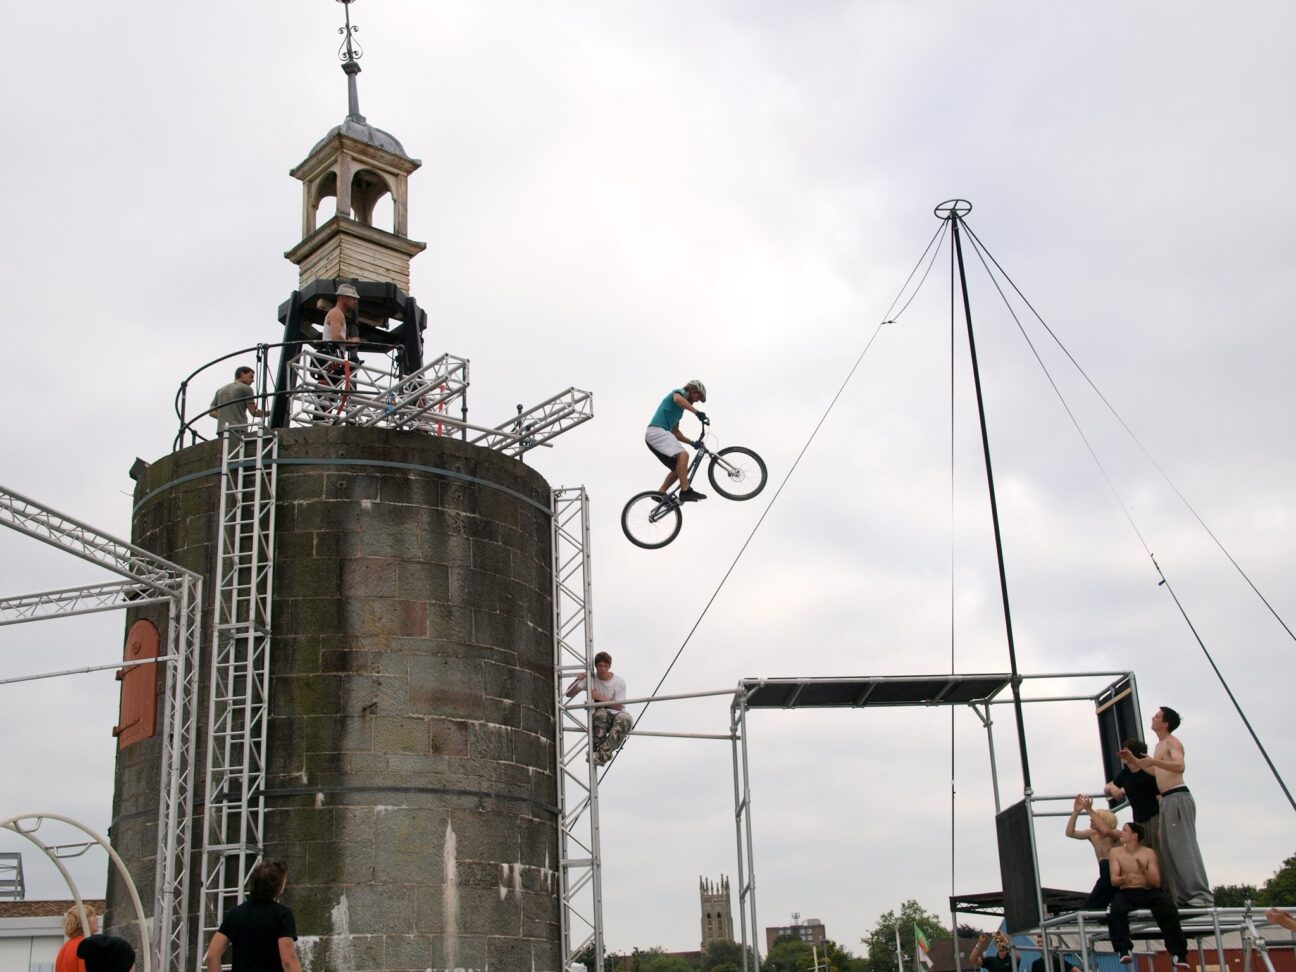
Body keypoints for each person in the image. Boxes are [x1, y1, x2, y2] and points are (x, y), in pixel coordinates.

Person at [1120, 707, 1213, 907]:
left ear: (1165, 723)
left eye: (1157, 717)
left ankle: (1200, 895)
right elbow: (1156, 771)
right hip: (1168, 800)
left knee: (1182, 846)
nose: (1153, 718)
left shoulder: (1172, 742)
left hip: (1177, 796)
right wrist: (1136, 761)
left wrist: (1153, 761)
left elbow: (1180, 766)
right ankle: (1183, 897)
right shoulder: (1159, 745)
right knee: (1168, 849)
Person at [1107, 822, 1189, 968]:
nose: (1121, 833)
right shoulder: (1115, 852)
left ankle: (1178, 953)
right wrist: (1123, 879)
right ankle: (1123, 949)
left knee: (1168, 908)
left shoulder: (1148, 853)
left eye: (1125, 830)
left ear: (1134, 836)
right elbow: (1114, 880)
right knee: (1116, 909)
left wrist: (1143, 871)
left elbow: (1156, 882)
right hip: (1126, 891)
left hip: (1147, 891)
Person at [204, 858, 301, 972]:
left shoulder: (234, 914)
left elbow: (212, 956)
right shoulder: (282, 915)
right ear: (278, 886)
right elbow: (288, 960)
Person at [644, 380, 709, 502]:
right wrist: (697, 413)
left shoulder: (679, 411)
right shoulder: (679, 393)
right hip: (656, 431)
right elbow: (677, 399)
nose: (697, 401)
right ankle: (685, 491)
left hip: (656, 435)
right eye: (698, 396)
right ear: (692, 389)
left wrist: (692, 442)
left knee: (678, 468)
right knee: (683, 455)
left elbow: (675, 432)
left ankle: (660, 494)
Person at [565, 651, 632, 765]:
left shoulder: (619, 682)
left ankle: (600, 755)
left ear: (609, 666)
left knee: (625, 718)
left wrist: (598, 697)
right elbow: (569, 693)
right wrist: (578, 679)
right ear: (596, 666)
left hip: (617, 715)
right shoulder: (591, 679)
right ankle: (600, 754)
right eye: (600, 666)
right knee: (600, 713)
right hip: (601, 718)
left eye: (605, 666)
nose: (602, 669)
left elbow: (619, 706)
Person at [1104, 738, 1162, 852]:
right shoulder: (1125, 774)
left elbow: (1160, 798)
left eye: (1125, 752)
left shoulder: (1148, 772)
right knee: (1140, 853)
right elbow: (1107, 787)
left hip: (1154, 817)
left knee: (1157, 851)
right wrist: (1113, 787)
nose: (1121, 755)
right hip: (1138, 820)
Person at [1066, 794, 1120, 910]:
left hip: (1113, 868)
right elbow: (1070, 833)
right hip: (1103, 868)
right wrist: (1076, 812)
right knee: (1100, 900)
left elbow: (1105, 831)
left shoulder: (1115, 834)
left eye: (1095, 818)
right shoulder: (1092, 834)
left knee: (1094, 903)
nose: (1091, 819)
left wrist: (1089, 809)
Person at [208, 367, 264, 436]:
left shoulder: (220, 390)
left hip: (221, 430)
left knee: (225, 446)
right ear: (242, 374)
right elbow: (254, 412)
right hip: (238, 430)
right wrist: (272, 412)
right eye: (251, 376)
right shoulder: (246, 388)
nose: (253, 380)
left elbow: (211, 412)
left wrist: (225, 417)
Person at [55, 902, 99, 972]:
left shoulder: (65, 947)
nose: (97, 919)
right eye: (94, 915)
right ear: (84, 921)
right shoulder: (85, 945)